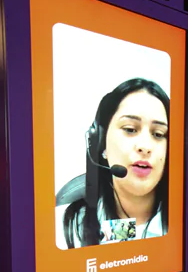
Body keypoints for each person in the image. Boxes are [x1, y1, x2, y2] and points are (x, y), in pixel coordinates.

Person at [55, 78, 170, 249]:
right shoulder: (64, 228)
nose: (145, 147)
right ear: (101, 144)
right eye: (130, 129)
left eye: (159, 134)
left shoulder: (180, 224)